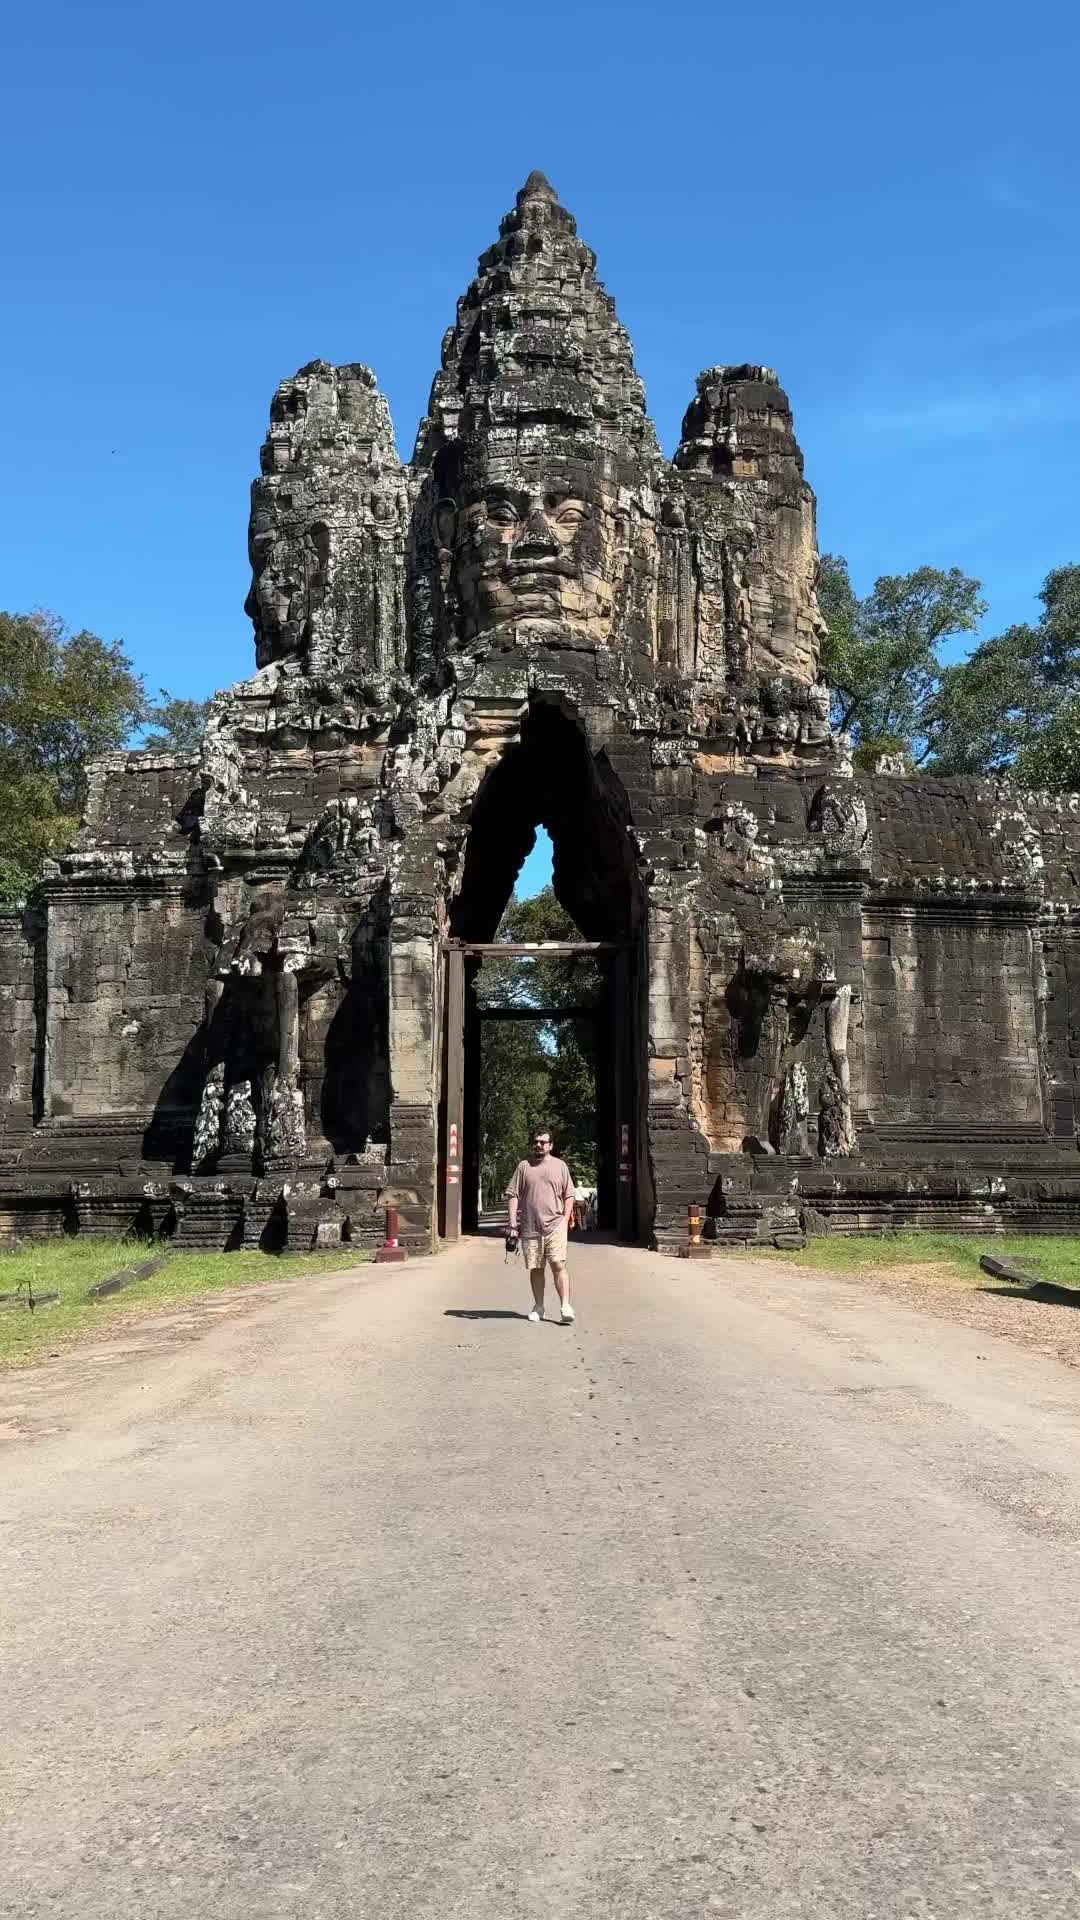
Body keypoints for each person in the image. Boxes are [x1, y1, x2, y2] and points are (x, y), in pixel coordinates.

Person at [504, 1127, 576, 1325]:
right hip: (530, 1226)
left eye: (542, 1142)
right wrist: (512, 1224)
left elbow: (569, 1194)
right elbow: (513, 1194)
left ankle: (565, 1306)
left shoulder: (561, 1166)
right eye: (536, 1141)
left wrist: (565, 1219)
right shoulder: (523, 1167)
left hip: (555, 1225)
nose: (538, 1145)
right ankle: (539, 1306)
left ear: (551, 1145)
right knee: (536, 1268)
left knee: (558, 1264)